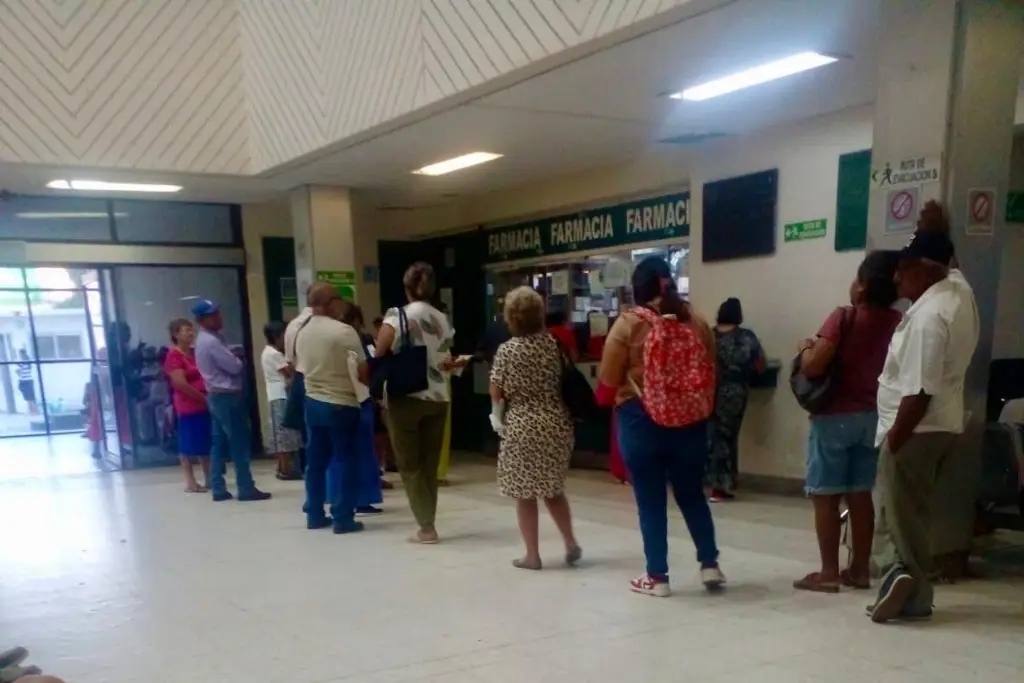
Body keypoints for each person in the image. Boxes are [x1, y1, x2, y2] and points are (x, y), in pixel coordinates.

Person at [868, 229, 979, 624]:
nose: (897, 279)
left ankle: (903, 584)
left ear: (926, 270)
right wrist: (936, 224)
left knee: (893, 513)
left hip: (916, 428)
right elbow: (954, 264)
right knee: (912, 514)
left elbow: (919, 389)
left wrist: (896, 438)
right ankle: (909, 589)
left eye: (904, 270)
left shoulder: (929, 319)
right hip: (943, 426)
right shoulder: (959, 293)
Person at [598, 256, 724, 597]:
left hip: (641, 421)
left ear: (638, 289)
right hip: (690, 422)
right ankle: (709, 564)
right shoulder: (695, 322)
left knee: (651, 500)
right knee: (691, 495)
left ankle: (658, 577)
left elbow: (607, 385)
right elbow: (710, 370)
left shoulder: (627, 325)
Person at [792, 252, 901, 593]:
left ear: (864, 284)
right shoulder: (898, 322)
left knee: (825, 496)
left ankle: (828, 572)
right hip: (873, 417)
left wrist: (806, 347)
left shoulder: (844, 317)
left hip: (834, 418)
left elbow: (812, 367)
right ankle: (859, 570)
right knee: (859, 495)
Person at [375, 263, 467, 544]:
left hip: (407, 396)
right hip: (439, 396)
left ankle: (426, 527)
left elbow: (381, 350)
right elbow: (447, 355)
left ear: (406, 287)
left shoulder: (397, 315)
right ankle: (429, 519)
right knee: (429, 463)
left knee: (409, 464)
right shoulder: (442, 317)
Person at [490, 286, 581, 570]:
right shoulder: (554, 344)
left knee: (525, 495)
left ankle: (533, 555)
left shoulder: (507, 351)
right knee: (553, 489)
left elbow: (496, 390)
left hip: (522, 426)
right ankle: (570, 542)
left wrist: (497, 414)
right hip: (556, 423)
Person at [296, 283, 368, 533]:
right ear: (328, 302)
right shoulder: (343, 331)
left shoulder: (300, 331)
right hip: (341, 404)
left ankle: (315, 514)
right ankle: (343, 517)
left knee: (315, 462)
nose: (342, 304)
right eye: (339, 299)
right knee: (347, 459)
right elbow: (362, 371)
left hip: (313, 403)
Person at [193, 300, 270, 502]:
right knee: (239, 443)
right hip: (226, 396)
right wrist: (238, 359)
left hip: (216, 396)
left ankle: (217, 487)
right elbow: (234, 367)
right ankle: (245, 487)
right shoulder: (210, 341)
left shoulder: (208, 339)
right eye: (213, 315)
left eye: (218, 312)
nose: (219, 317)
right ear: (202, 319)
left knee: (218, 442)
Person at [706, 297, 765, 501]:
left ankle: (717, 484)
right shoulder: (745, 337)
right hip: (736, 392)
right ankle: (723, 485)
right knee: (728, 438)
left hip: (710, 391)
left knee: (713, 437)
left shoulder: (709, 335)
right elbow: (760, 364)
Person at [335, 302, 384, 514]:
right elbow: (367, 371)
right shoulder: (357, 340)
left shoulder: (332, 340)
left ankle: (340, 497)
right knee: (363, 451)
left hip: (337, 400)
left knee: (341, 453)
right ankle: (363, 498)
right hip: (360, 398)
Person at [163, 318, 212, 493]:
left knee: (204, 442)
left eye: (192, 330)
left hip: (203, 403)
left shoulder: (194, 352)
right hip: (188, 405)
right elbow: (180, 383)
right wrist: (202, 398)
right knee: (187, 444)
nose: (191, 333)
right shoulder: (174, 356)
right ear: (176, 334)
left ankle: (209, 477)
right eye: (186, 330)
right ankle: (190, 482)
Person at [261, 320, 303, 480]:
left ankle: (282, 466)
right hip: (281, 395)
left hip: (275, 395)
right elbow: (290, 373)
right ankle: (286, 468)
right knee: (284, 433)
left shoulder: (268, 352)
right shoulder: (274, 354)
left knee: (280, 432)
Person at [436, 302, 454, 486]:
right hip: (438, 386)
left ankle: (439, 471)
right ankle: (436, 472)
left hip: (443, 384)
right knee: (439, 429)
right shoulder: (434, 339)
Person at [15, 349, 37, 415]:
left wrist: (18, 371)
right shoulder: (27, 361)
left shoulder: (24, 362)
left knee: (29, 398)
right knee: (29, 398)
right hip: (26, 381)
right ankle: (31, 411)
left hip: (26, 381)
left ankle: (33, 412)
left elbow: (18, 371)